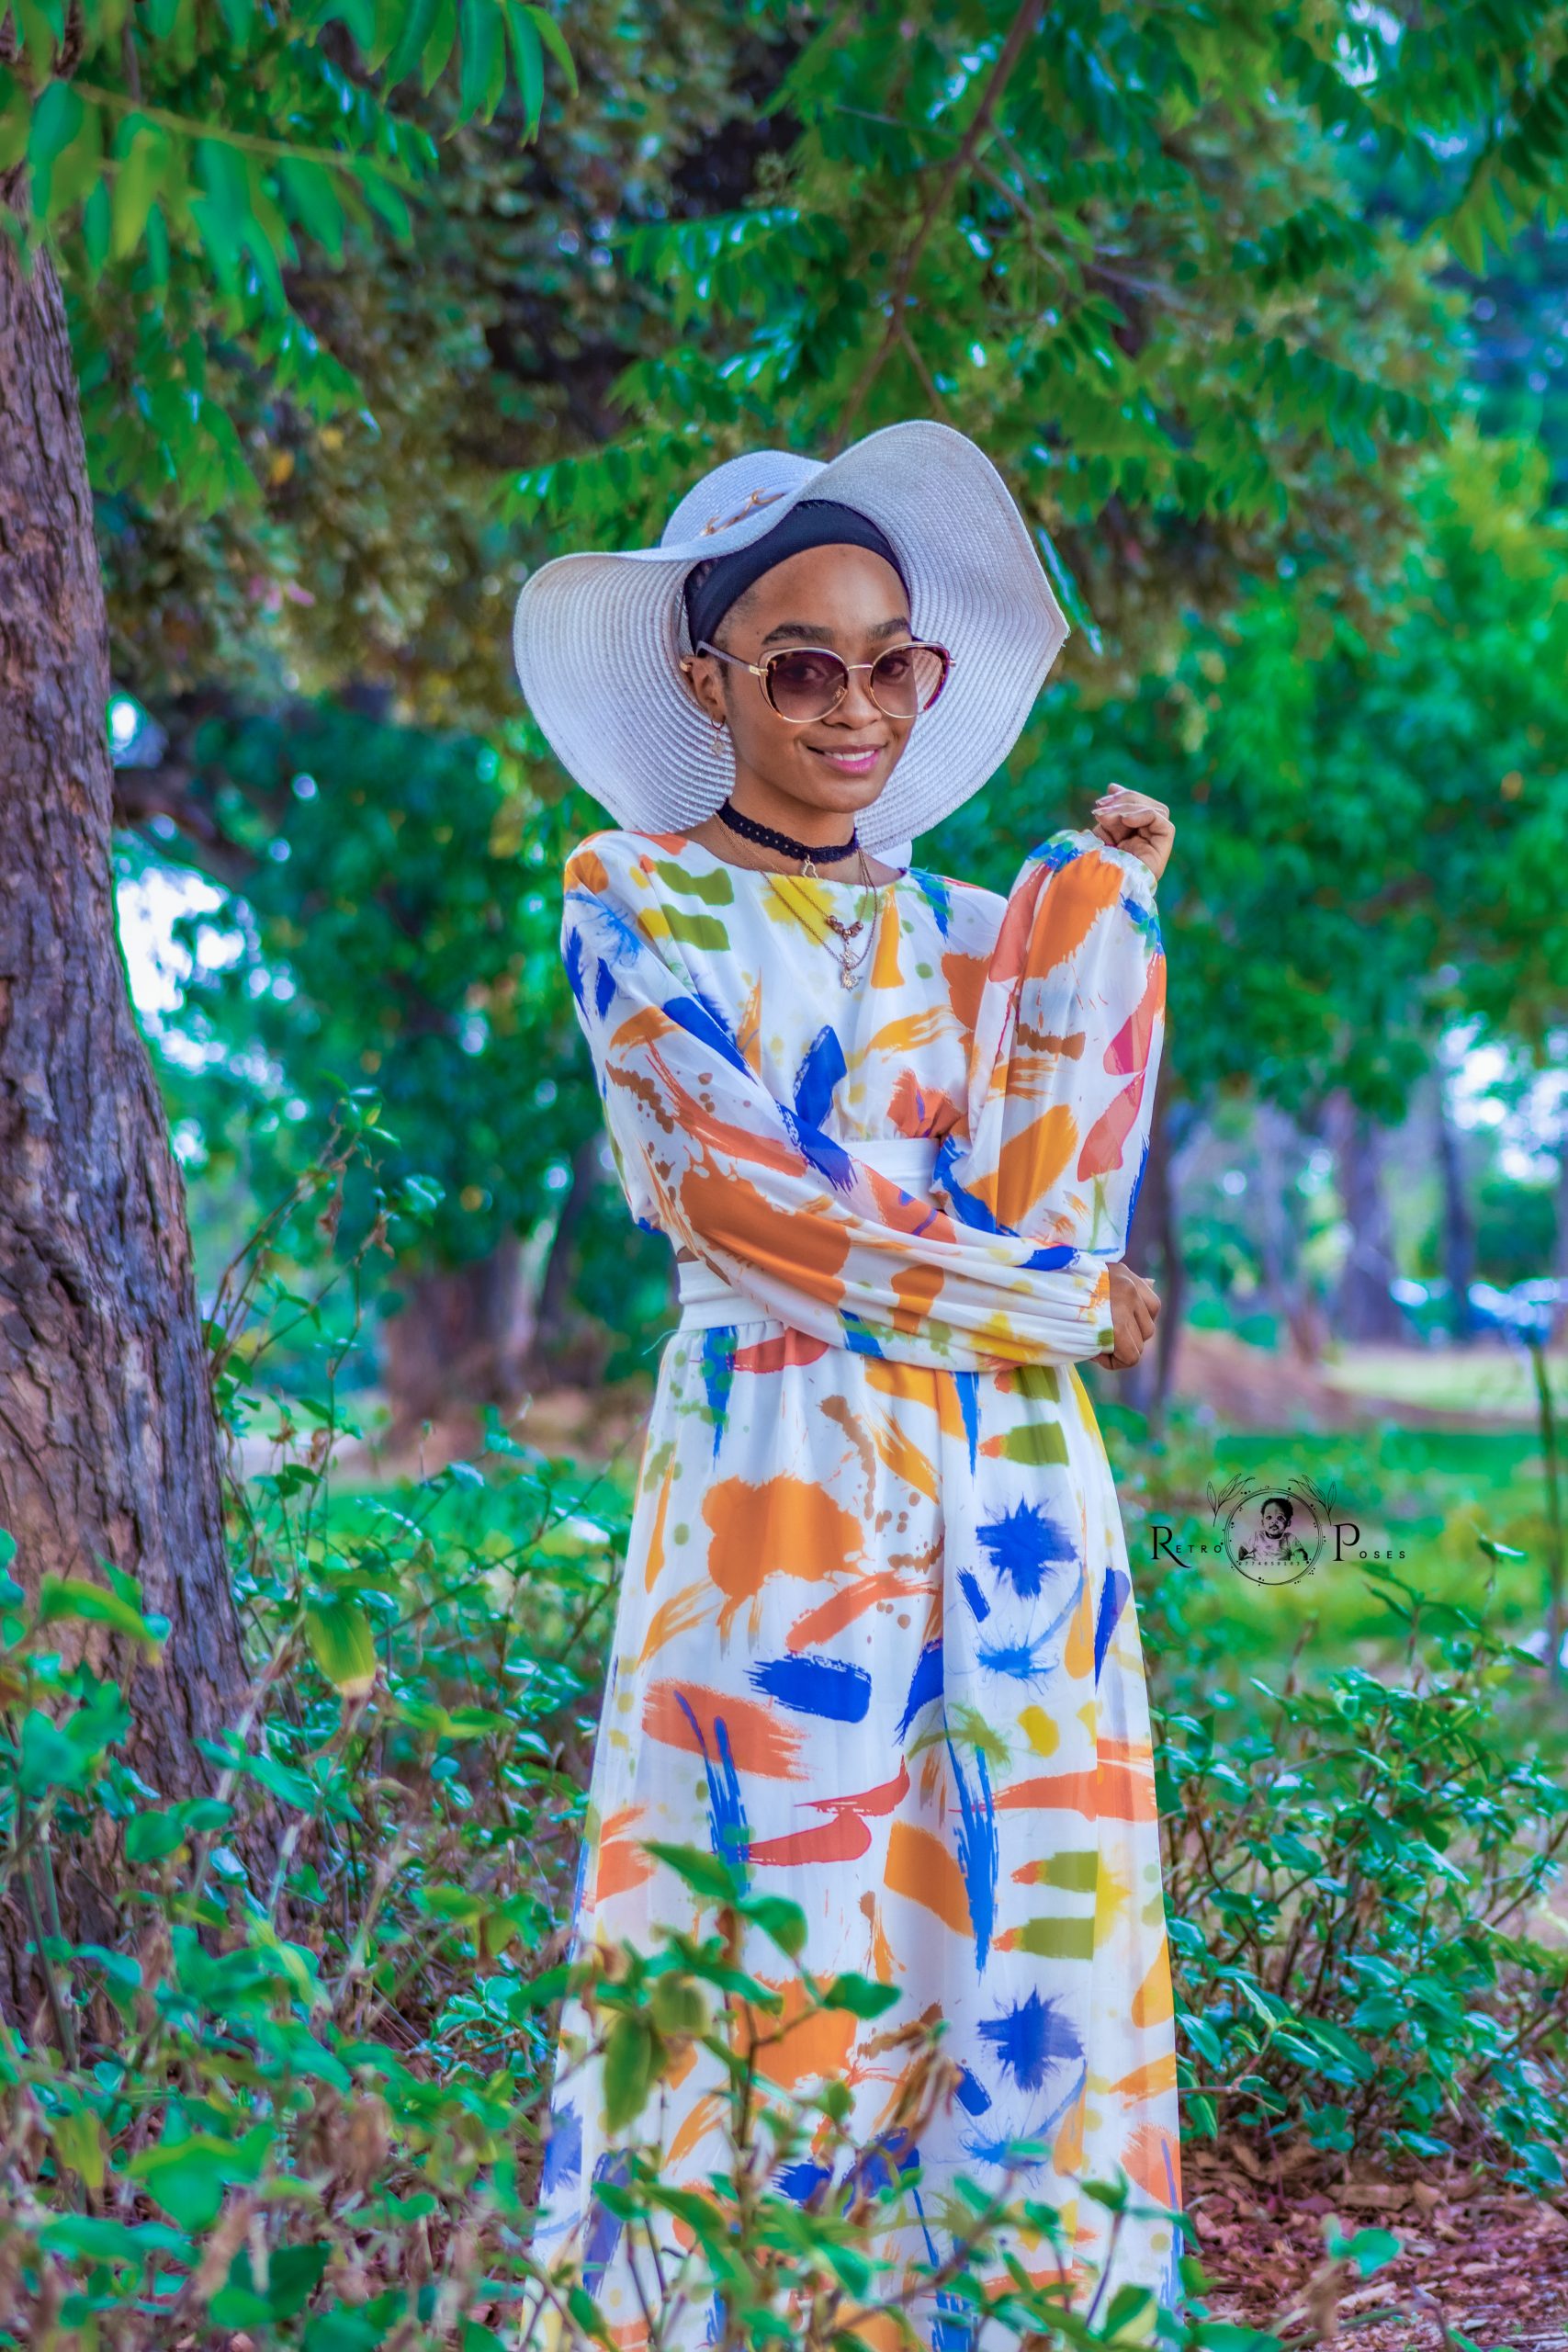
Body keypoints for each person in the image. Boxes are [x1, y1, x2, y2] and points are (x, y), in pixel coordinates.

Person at [512, 421, 1180, 2345]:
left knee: (1013, 1912)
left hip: (1013, 1488)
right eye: (803, 666)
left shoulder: (978, 932)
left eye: (894, 661)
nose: (857, 707)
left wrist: (1103, 921)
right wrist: (1058, 1304)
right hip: (776, 1473)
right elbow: (754, 1210)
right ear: (706, 679)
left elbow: (1057, 1188)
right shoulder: (630, 896)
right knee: (764, 1923)